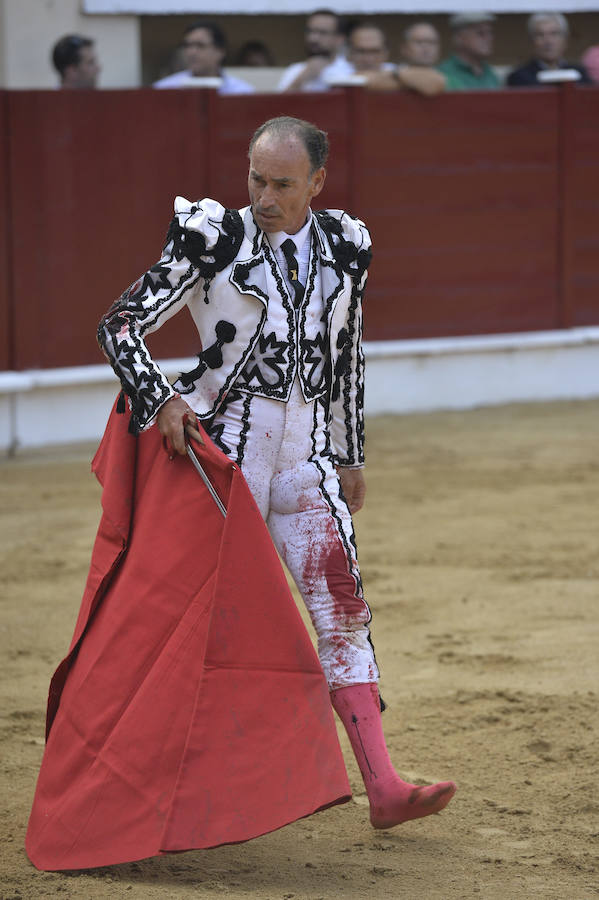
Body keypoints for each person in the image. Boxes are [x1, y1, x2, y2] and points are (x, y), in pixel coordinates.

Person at [97, 116, 457, 832]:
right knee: (192, 633)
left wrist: (349, 452)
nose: (264, 196)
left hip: (306, 458)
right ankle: (146, 797)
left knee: (342, 615)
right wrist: (161, 397)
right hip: (221, 463)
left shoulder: (345, 246)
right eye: (256, 179)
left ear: (316, 184)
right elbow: (120, 324)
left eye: (282, 185)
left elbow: (346, 354)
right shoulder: (212, 238)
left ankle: (382, 785)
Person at [345, 21, 446, 96]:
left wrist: (396, 74)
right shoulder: (336, 71)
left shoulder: (394, 71)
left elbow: (436, 82)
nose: (368, 59)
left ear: (386, 53)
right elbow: (360, 81)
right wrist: (400, 80)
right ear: (349, 53)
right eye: (361, 51)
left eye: (375, 51)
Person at [153, 20, 254, 94]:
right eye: (187, 45)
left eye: (200, 45)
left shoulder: (241, 92)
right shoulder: (164, 89)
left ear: (220, 51)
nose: (192, 52)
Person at [507, 13, 592, 87]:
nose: (548, 41)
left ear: (565, 40)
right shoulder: (519, 77)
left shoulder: (579, 73)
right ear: (531, 41)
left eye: (554, 34)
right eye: (540, 35)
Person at [277, 9, 351, 92]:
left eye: (323, 33)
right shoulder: (295, 70)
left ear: (340, 39)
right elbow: (279, 104)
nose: (313, 39)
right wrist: (302, 78)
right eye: (310, 31)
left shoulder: (350, 71)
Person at [439, 12, 500, 90]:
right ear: (459, 37)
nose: (489, 38)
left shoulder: (491, 74)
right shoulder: (443, 74)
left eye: (490, 33)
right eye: (480, 33)